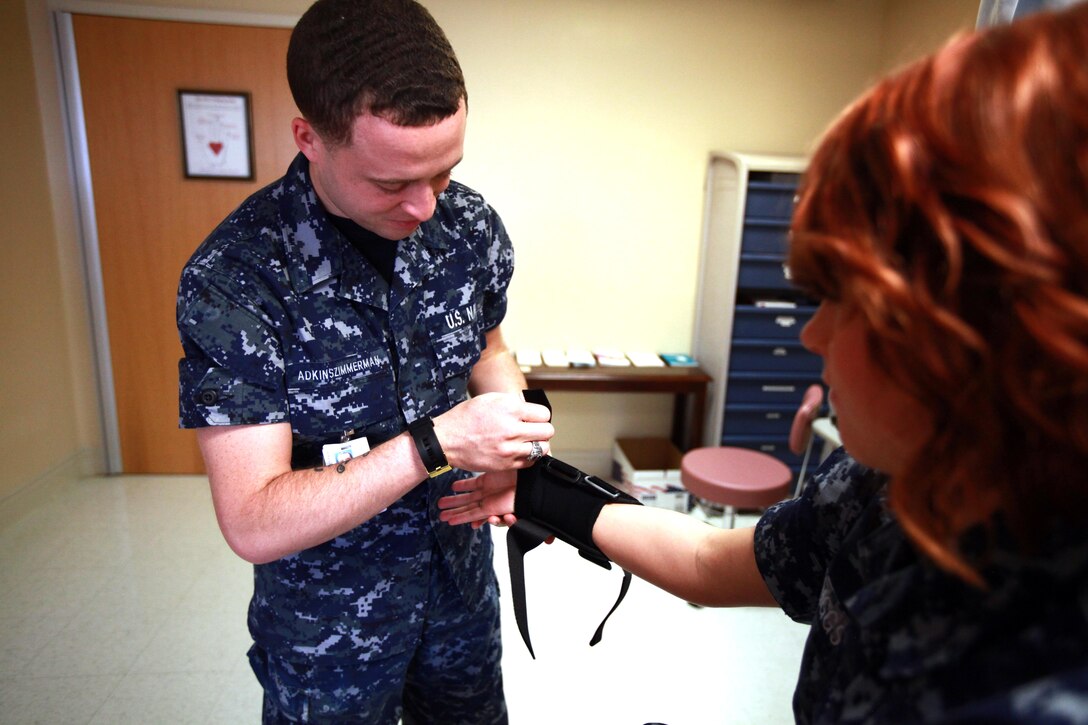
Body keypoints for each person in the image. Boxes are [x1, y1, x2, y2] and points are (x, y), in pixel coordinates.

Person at [440, 4, 1088, 722]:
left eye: (843, 300)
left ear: (981, 329)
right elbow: (707, 563)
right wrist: (538, 494)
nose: (812, 336)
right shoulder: (896, 483)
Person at [176, 1, 553, 721]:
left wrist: (513, 453)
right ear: (309, 139)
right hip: (331, 632)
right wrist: (438, 444)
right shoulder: (238, 277)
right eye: (390, 183)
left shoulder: (469, 227)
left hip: (459, 593)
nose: (425, 207)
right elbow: (253, 518)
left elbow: (491, 349)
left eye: (444, 172)